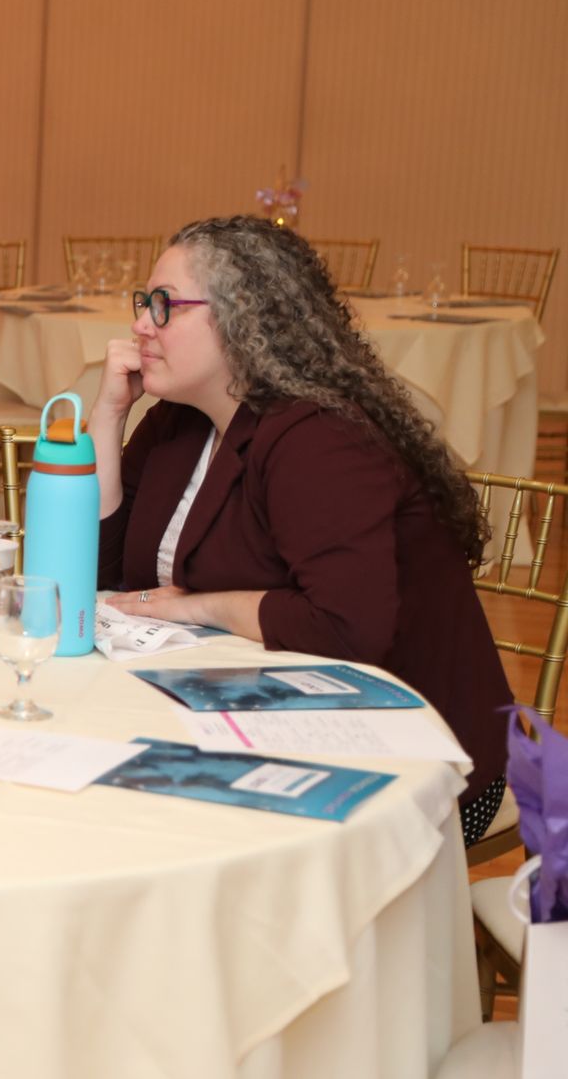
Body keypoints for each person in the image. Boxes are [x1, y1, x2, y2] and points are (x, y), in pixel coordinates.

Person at [91, 216, 513, 842]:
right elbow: (99, 576)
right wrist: (109, 413)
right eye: (143, 304)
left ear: (244, 317)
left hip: (409, 764)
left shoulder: (321, 439)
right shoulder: (180, 421)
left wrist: (201, 607)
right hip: (252, 712)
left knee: (145, 829)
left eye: (164, 307)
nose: (139, 324)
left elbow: (344, 629)